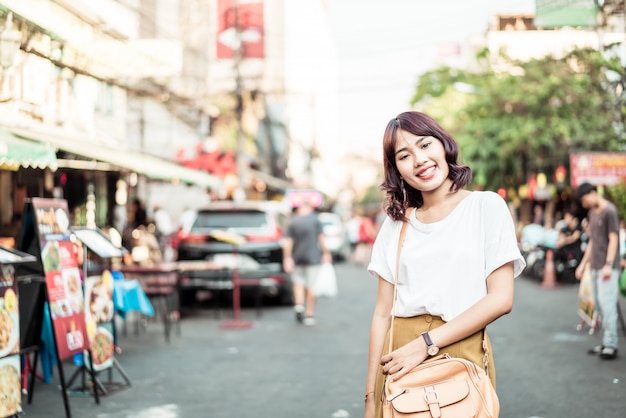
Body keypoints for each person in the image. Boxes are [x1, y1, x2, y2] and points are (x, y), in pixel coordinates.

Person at [363, 111, 525, 418]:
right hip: (398, 355)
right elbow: (383, 312)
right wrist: (371, 397)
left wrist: (425, 344)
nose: (419, 160)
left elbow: (501, 298)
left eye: (425, 145)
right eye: (404, 155)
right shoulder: (396, 224)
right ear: (396, 169)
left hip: (460, 347)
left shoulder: (485, 207)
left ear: (443, 144)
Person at [574, 183, 620, 360]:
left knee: (607, 305)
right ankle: (605, 341)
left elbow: (613, 238)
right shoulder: (592, 213)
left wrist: (609, 264)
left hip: (607, 268)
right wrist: (583, 264)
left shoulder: (610, 211)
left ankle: (611, 344)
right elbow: (593, 241)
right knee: (599, 306)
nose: (584, 203)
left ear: (592, 193)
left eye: (584, 199)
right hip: (594, 266)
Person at [282, 201, 332, 326]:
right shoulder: (315, 220)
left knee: (298, 283)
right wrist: (326, 253)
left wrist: (287, 258)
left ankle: (299, 305)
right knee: (311, 286)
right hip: (313, 257)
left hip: (297, 257)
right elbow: (321, 239)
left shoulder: (293, 221)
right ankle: (309, 313)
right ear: (309, 209)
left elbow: (287, 242)